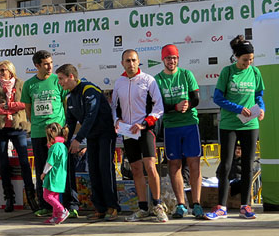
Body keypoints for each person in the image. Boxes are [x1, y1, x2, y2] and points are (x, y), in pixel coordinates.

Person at [205, 35, 265, 220]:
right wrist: (238, 108)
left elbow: (259, 95)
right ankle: (221, 207)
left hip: (250, 125)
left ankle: (245, 206)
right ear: (236, 57)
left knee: (248, 165)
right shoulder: (227, 72)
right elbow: (218, 98)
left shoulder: (255, 73)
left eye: (251, 60)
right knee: (226, 165)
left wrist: (261, 108)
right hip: (229, 124)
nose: (248, 63)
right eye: (245, 59)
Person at [56, 64, 120, 221]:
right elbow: (70, 123)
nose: (60, 83)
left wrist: (78, 139)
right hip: (91, 136)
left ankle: (113, 207)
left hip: (105, 134)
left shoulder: (88, 89)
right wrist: (63, 141)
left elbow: (91, 115)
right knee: (93, 170)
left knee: (105, 169)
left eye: (61, 79)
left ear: (71, 76)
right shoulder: (69, 97)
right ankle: (100, 209)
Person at [111, 49, 168, 222]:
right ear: (122, 63)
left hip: (145, 129)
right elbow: (113, 106)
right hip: (128, 131)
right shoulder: (119, 82)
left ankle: (157, 205)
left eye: (133, 60)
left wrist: (144, 123)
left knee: (150, 166)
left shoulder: (148, 80)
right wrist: (117, 121)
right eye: (127, 61)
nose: (131, 64)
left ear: (138, 61)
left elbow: (159, 107)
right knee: (135, 169)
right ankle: (143, 208)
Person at [154, 44, 203, 219]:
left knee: (194, 164)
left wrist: (188, 104)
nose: (171, 61)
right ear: (163, 59)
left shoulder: (186, 74)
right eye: (168, 58)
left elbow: (196, 98)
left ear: (178, 59)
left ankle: (196, 203)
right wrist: (175, 106)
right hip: (171, 126)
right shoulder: (158, 79)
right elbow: (158, 106)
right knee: (174, 165)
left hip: (190, 124)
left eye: (174, 58)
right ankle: (181, 204)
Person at [20, 50, 69, 217]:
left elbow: (65, 104)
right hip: (39, 133)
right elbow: (28, 111)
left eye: (51, 63)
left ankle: (68, 204)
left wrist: (61, 128)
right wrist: (39, 126)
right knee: (42, 169)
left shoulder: (58, 81)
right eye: (46, 64)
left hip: (58, 135)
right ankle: (45, 205)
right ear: (37, 65)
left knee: (61, 169)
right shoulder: (28, 85)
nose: (50, 67)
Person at [0, 60, 38, 212]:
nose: (0, 74)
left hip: (18, 127)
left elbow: (24, 104)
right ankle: (9, 198)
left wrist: (9, 106)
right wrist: (7, 112)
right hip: (1, 129)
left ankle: (31, 196)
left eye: (3, 70)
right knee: (3, 163)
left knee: (24, 162)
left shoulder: (21, 85)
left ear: (10, 71)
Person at [40, 122, 70, 225]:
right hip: (61, 176)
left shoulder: (55, 147)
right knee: (55, 196)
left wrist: (43, 173)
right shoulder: (63, 146)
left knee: (47, 196)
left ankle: (61, 211)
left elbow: (50, 163)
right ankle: (55, 215)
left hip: (53, 175)